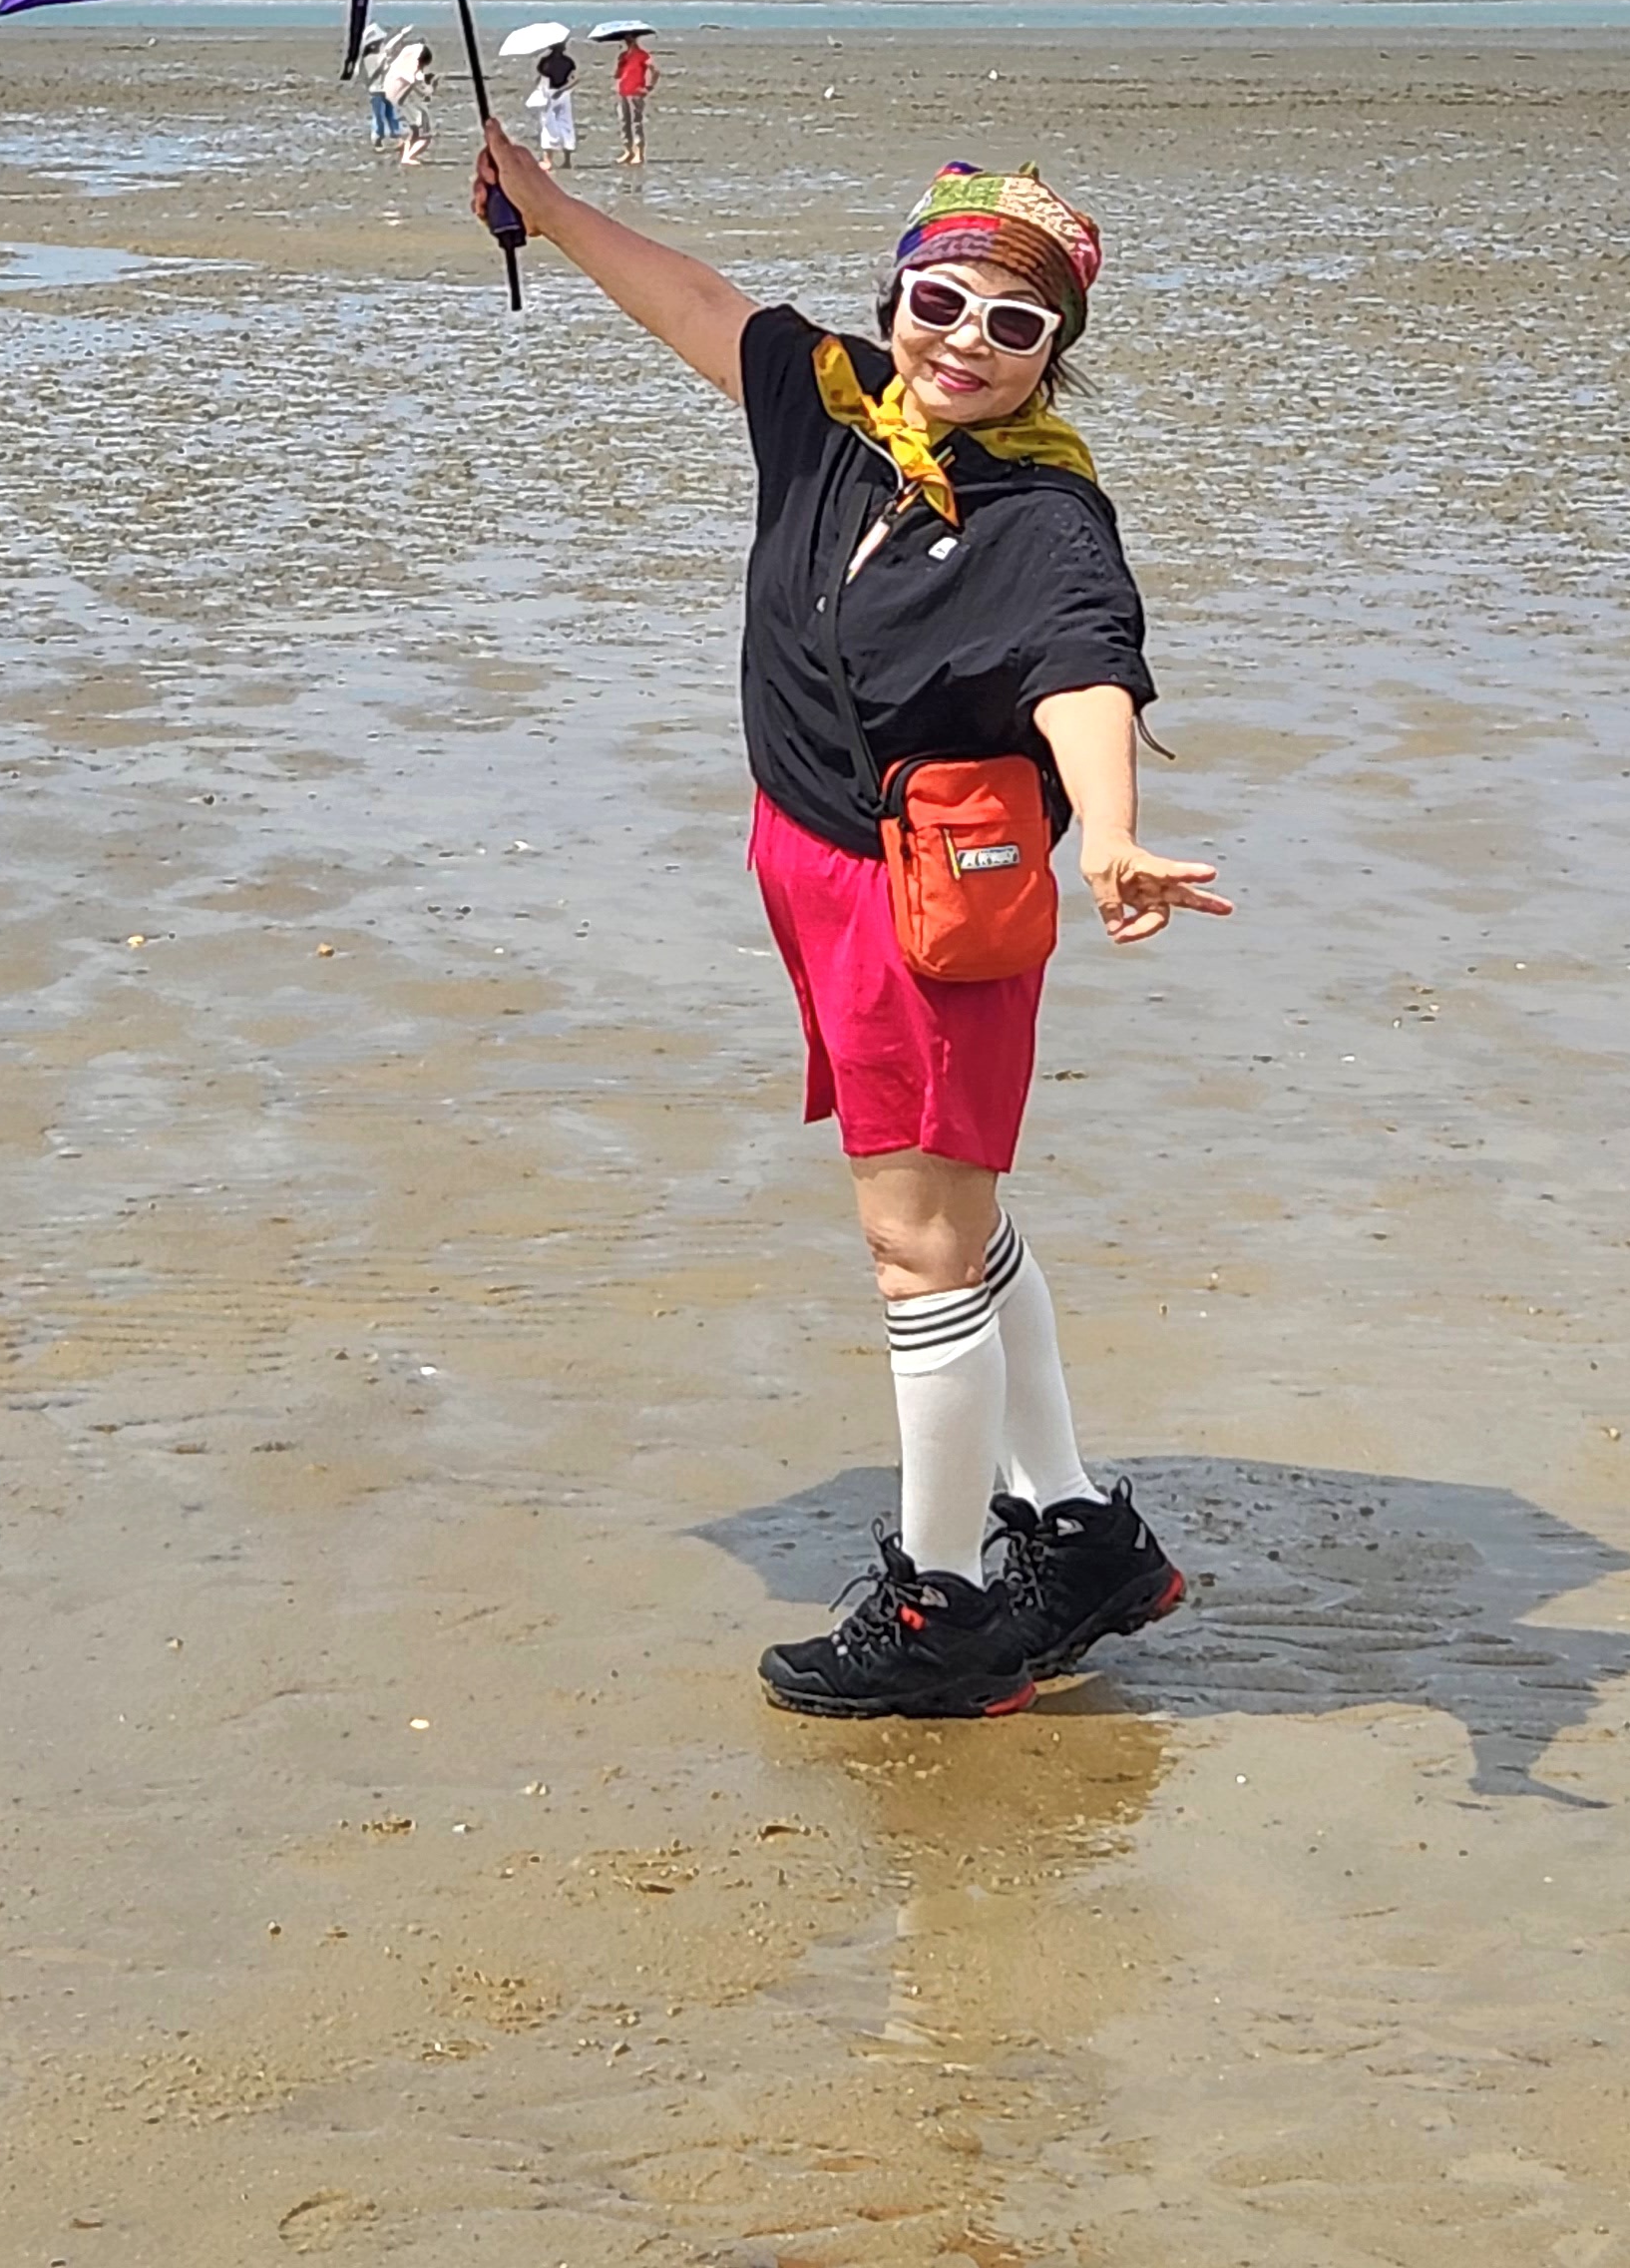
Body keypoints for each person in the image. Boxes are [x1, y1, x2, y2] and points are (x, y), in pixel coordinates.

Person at [469, 131, 1231, 1718]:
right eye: (940, 303)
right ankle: (1079, 1531)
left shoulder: (1041, 515)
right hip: (814, 865)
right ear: (895, 299)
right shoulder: (831, 412)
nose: (966, 343)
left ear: (1053, 355)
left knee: (916, 1251)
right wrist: (545, 203)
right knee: (956, 1213)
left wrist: (1111, 831)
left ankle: (944, 1604)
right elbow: (696, 302)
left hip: (929, 904)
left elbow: (1084, 668)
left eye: (1013, 325)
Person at [379, 32, 435, 165]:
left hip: (390, 100)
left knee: (413, 129)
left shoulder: (397, 65)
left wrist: (402, 34)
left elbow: (388, 49)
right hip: (402, 104)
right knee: (424, 135)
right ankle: (408, 156)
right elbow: (425, 92)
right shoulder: (413, 75)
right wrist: (430, 84)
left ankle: (404, 150)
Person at [530, 36, 579, 171]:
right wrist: (564, 89)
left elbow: (541, 79)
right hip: (564, 93)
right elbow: (575, 79)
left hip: (549, 93)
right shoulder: (569, 62)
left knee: (548, 125)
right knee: (566, 124)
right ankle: (567, 160)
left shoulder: (545, 61)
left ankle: (548, 160)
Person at [613, 29, 656, 166]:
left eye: (630, 38)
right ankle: (628, 151)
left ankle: (639, 153)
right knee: (624, 122)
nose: (627, 41)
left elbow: (655, 70)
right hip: (623, 92)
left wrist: (649, 87)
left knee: (636, 122)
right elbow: (617, 74)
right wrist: (619, 64)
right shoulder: (624, 56)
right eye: (626, 39)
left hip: (636, 92)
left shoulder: (643, 55)